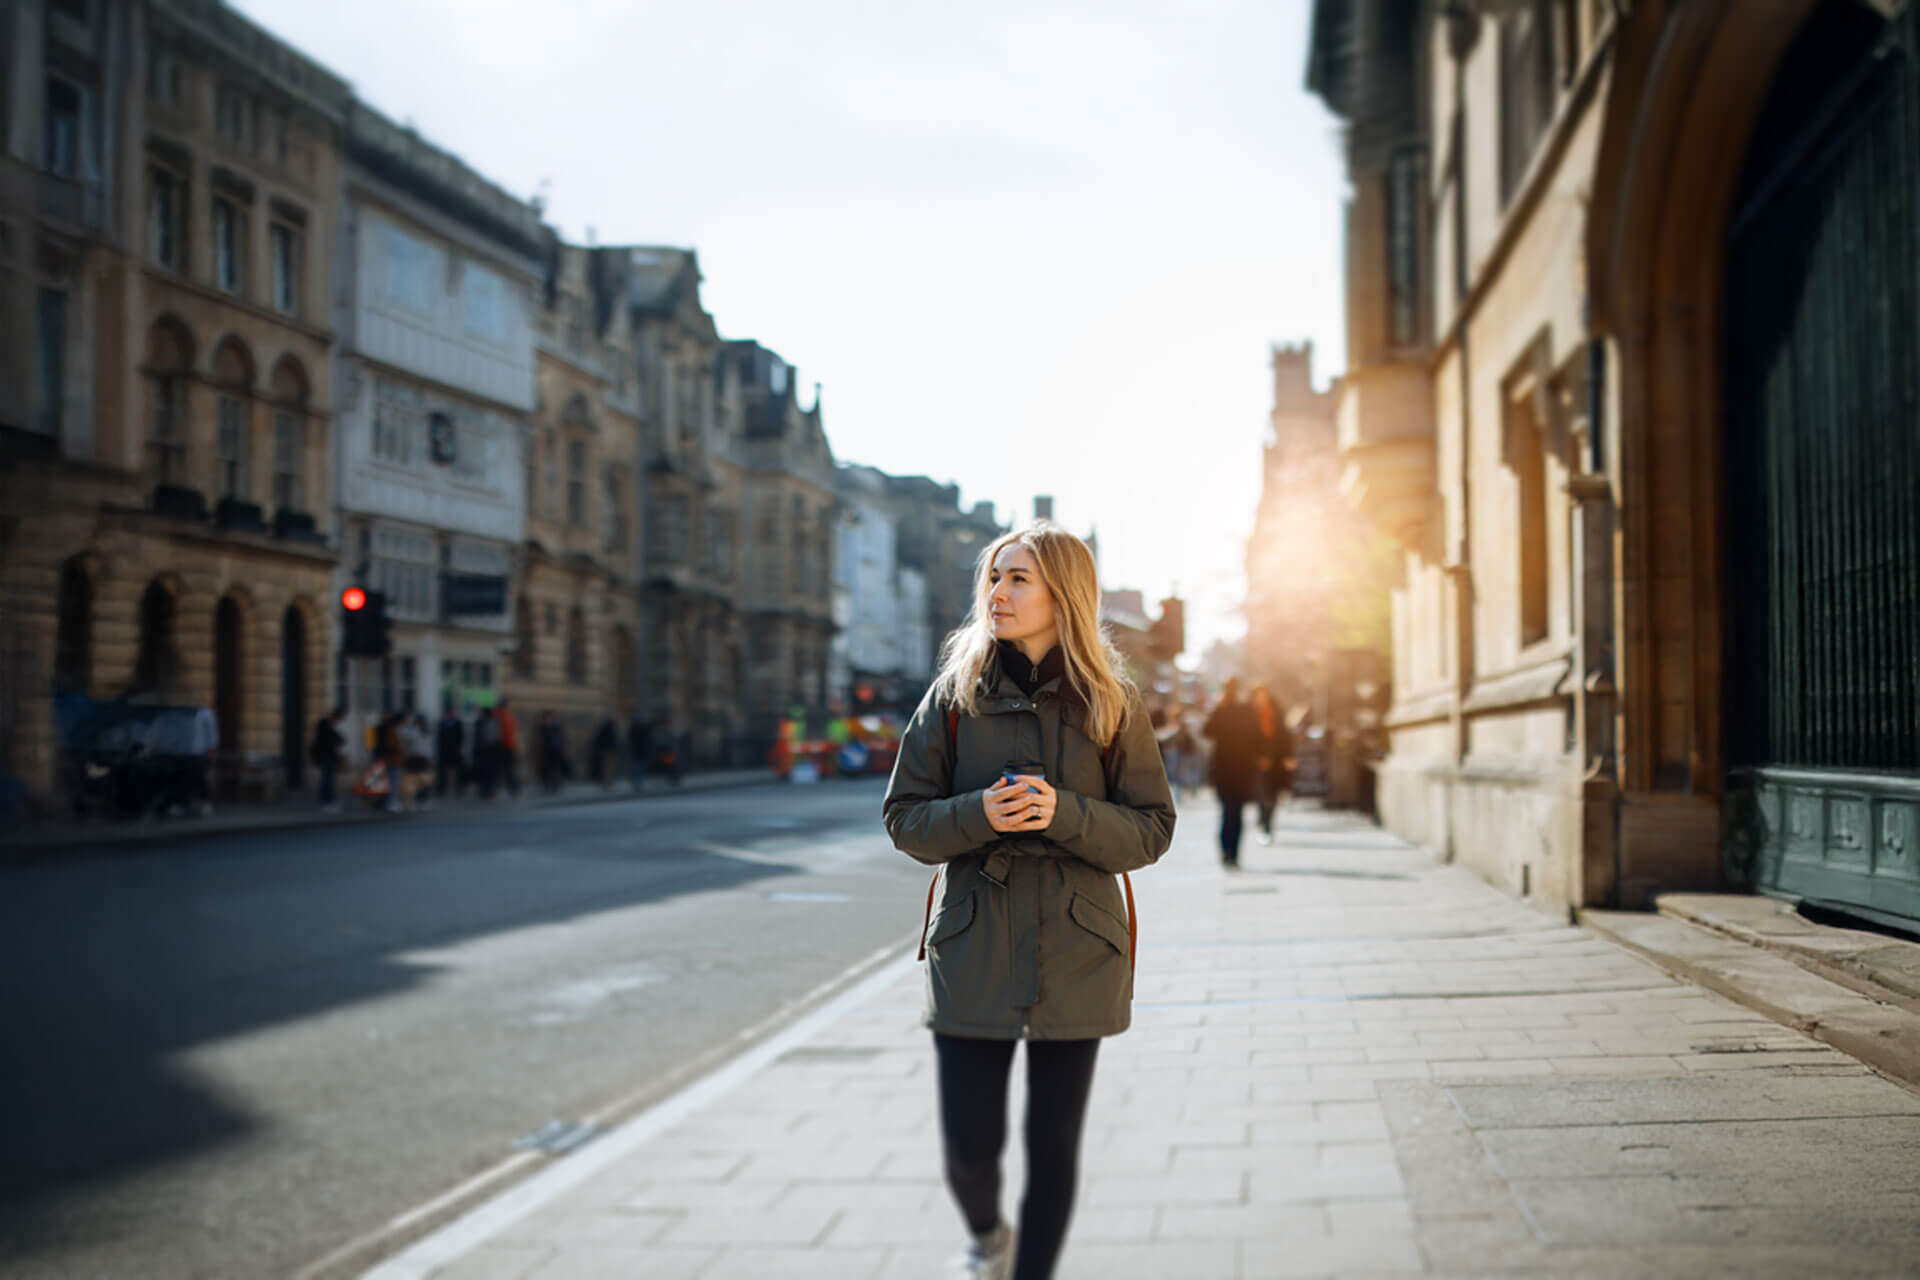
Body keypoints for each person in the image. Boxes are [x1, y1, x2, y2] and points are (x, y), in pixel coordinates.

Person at [883, 521, 1175, 1280]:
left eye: (1019, 579)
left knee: (1054, 1146)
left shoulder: (1113, 702)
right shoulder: (952, 697)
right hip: (975, 940)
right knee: (968, 1148)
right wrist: (981, 812)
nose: (999, 592)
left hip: (1078, 945)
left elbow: (1152, 830)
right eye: (994, 576)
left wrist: (1064, 813)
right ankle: (987, 1235)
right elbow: (904, 819)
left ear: (1063, 596)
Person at [1202, 678, 1260, 868]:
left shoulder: (1222, 710)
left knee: (1227, 811)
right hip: (1243, 769)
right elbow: (1257, 737)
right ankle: (1233, 853)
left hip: (1223, 769)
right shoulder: (1247, 712)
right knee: (1237, 813)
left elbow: (1206, 732)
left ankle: (1226, 851)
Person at [1248, 683, 1293, 843]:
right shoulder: (1249, 714)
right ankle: (1262, 821)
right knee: (1262, 793)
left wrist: (1288, 756)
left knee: (1272, 795)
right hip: (1255, 763)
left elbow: (1285, 736)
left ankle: (1267, 823)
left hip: (1275, 762)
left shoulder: (1276, 713)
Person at [311, 706, 346, 812]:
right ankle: (327, 802)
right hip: (326, 756)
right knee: (327, 780)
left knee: (328, 779)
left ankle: (328, 801)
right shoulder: (325, 724)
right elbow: (328, 740)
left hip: (327, 756)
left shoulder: (327, 725)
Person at [401, 713, 435, 811]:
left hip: (423, 759)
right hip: (412, 758)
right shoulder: (411, 731)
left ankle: (423, 801)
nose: (421, 724)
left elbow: (429, 747)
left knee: (424, 782)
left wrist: (430, 759)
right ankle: (412, 802)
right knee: (412, 782)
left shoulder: (426, 732)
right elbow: (406, 740)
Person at [538, 711, 572, 793]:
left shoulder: (555, 728)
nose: (548, 720)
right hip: (546, 752)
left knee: (555, 770)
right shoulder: (543, 728)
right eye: (546, 718)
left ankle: (555, 785)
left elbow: (561, 739)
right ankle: (548, 786)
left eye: (549, 718)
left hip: (555, 751)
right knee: (547, 770)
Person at [495, 698, 522, 798]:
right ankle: (514, 791)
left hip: (498, 747)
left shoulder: (496, 716)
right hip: (507, 747)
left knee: (499, 770)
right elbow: (511, 734)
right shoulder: (507, 717)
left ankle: (493, 792)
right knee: (509, 771)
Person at [436, 706, 465, 798]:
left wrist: (460, 748)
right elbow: (440, 738)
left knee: (459, 770)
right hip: (444, 750)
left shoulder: (458, 723)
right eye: (449, 713)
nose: (450, 714)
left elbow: (461, 737)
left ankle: (459, 787)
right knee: (442, 770)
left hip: (455, 750)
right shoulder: (442, 724)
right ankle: (442, 788)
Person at [473, 707, 502, 799]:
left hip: (487, 751)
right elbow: (497, 737)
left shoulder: (482, 722)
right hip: (491, 751)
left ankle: (487, 791)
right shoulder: (494, 722)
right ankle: (488, 791)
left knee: (486, 773)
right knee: (489, 773)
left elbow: (479, 738)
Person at [589, 716, 619, 789]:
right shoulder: (610, 729)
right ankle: (607, 783)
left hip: (607, 750)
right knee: (608, 768)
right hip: (608, 751)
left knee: (607, 768)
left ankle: (607, 783)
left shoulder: (606, 729)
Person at [627, 713, 653, 792]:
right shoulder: (639, 728)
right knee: (639, 767)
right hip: (639, 751)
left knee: (637, 767)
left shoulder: (634, 729)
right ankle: (637, 783)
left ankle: (636, 783)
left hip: (637, 751)